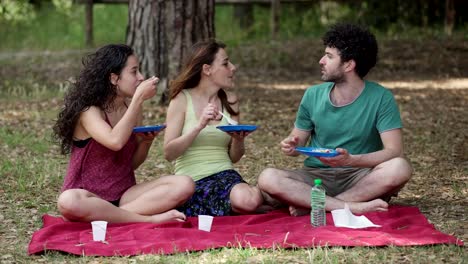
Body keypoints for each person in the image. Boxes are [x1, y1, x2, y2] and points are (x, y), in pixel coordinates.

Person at [257, 23, 413, 215]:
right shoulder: (312, 95)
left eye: (329, 56)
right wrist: (292, 144)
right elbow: (297, 143)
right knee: (268, 177)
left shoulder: (381, 97)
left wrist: (351, 161)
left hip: (360, 177)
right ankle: (350, 206)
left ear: (349, 64)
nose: (321, 61)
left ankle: (320, 204)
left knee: (400, 167)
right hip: (315, 177)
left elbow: (393, 151)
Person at [53, 44, 195, 223]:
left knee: (185, 184)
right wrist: (138, 99)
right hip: (88, 197)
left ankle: (111, 217)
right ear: (114, 78)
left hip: (124, 196)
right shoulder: (88, 111)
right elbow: (115, 141)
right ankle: (148, 220)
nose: (141, 77)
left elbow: (129, 164)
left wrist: (145, 143)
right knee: (68, 201)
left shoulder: (132, 107)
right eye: (134, 72)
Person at [163, 39, 263, 216]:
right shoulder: (181, 100)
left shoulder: (230, 101)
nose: (233, 68)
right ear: (207, 69)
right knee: (245, 202)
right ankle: (258, 199)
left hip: (225, 175)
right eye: (225, 63)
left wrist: (238, 140)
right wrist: (198, 126)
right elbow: (169, 153)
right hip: (191, 181)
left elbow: (234, 157)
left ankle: (252, 198)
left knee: (246, 200)